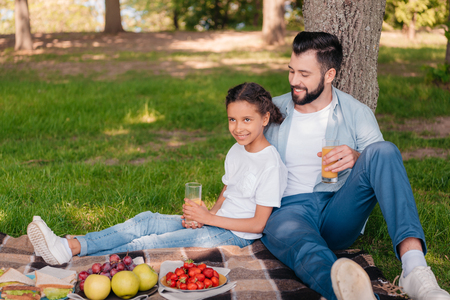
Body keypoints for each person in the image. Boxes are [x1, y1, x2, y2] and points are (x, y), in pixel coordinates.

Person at [261, 31, 450, 300]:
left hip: (339, 208)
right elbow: (245, 162)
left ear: (329, 75)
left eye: (304, 74)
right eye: (291, 71)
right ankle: (353, 294)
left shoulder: (356, 112)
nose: (294, 81)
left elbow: (383, 168)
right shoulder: (273, 110)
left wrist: (358, 157)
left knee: (383, 151)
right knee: (307, 249)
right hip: (289, 210)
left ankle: (415, 269)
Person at [27, 82, 288, 265]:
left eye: (247, 120)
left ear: (264, 119)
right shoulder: (237, 150)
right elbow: (228, 190)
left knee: (151, 241)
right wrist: (207, 216)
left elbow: (258, 225)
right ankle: (71, 245)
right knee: (145, 220)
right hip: (216, 222)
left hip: (235, 235)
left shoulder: (270, 164)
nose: (238, 128)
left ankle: (72, 251)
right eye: (232, 119)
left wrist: (210, 219)